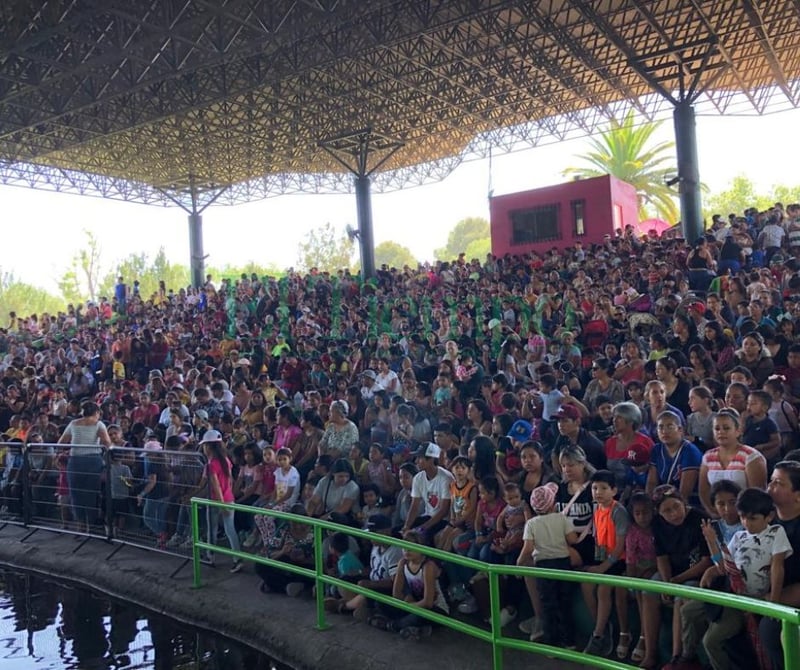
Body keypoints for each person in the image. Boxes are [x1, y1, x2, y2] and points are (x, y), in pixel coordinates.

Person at [638, 485, 711, 670]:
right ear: (659, 513)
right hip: (672, 573)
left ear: (683, 502)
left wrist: (675, 582)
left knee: (680, 597)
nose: (673, 514)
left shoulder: (700, 518)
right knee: (648, 591)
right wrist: (665, 581)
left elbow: (706, 561)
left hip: (696, 575)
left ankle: (677, 656)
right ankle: (650, 653)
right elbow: (661, 557)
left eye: (676, 507)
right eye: (667, 511)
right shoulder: (657, 524)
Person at [518, 482, 578, 648]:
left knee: (548, 606)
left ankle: (551, 644)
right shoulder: (562, 518)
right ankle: (570, 642)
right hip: (564, 565)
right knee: (565, 603)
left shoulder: (531, 524)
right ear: (552, 502)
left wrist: (518, 564)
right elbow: (572, 539)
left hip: (543, 566)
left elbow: (528, 549)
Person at [583, 470, 630, 658]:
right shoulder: (597, 509)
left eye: (603, 488)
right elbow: (599, 538)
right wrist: (596, 563)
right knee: (585, 584)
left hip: (619, 561)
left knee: (603, 589)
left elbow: (620, 546)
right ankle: (602, 625)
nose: (598, 492)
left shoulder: (618, 511)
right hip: (604, 557)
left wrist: (603, 567)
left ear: (614, 490)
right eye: (594, 488)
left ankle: (598, 635)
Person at [698, 409, 768, 517]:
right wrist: (713, 512)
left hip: (746, 515)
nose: (721, 432)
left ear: (738, 431)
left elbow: (756, 493)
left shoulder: (751, 456)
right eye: (717, 429)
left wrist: (741, 515)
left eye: (726, 428)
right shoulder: (708, 456)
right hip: (719, 515)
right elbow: (703, 490)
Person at [57, 401, 111, 534]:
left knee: (76, 494)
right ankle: (91, 526)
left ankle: (80, 525)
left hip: (75, 462)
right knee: (91, 494)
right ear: (96, 412)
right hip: (93, 461)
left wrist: (67, 451)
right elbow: (107, 443)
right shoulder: (99, 424)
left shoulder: (73, 424)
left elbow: (61, 442)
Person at [200, 429, 243, 573]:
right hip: (229, 497)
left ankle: (210, 555)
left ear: (209, 446)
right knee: (230, 530)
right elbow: (229, 481)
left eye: (205, 445)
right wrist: (227, 497)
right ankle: (237, 559)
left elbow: (215, 485)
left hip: (216, 500)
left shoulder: (211, 465)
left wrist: (221, 502)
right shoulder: (226, 460)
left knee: (212, 528)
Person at [401, 443, 454, 545]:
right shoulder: (418, 478)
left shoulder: (446, 478)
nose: (416, 461)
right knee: (399, 532)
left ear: (431, 459)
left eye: (420, 458)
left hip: (443, 520)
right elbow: (414, 506)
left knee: (422, 536)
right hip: (428, 516)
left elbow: (443, 511)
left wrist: (422, 528)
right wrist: (406, 526)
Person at [646, 410, 702, 503]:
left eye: (670, 427)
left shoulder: (690, 451)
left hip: (687, 502)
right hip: (662, 500)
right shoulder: (656, 449)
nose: (664, 431)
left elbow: (684, 492)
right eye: (660, 427)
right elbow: (651, 483)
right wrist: (650, 503)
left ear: (680, 429)